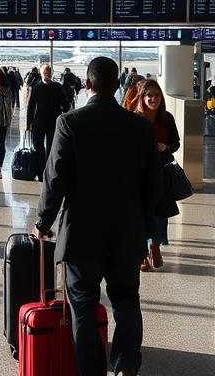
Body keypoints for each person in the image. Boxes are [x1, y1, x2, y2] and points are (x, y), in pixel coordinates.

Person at [34, 57, 162, 376]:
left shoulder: (70, 122)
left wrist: (43, 222)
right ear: (118, 85)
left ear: (87, 84)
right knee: (126, 300)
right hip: (127, 234)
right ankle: (125, 365)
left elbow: (55, 179)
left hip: (81, 235)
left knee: (83, 308)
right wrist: (146, 231)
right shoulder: (140, 127)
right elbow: (154, 186)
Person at [128, 79, 180, 272]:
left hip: (161, 172)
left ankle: (155, 244)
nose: (153, 99)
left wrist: (166, 147)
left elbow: (175, 142)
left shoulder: (166, 118)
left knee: (159, 212)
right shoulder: (134, 118)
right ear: (142, 97)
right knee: (139, 213)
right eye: (149, 95)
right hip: (139, 174)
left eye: (157, 95)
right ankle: (142, 252)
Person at [26, 64, 70, 168]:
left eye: (48, 72)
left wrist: (62, 113)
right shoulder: (37, 87)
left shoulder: (57, 87)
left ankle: (49, 169)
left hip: (53, 122)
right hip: (39, 122)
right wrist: (29, 123)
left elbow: (65, 103)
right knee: (38, 148)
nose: (47, 74)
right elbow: (31, 106)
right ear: (41, 73)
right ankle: (41, 170)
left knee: (51, 148)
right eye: (45, 72)